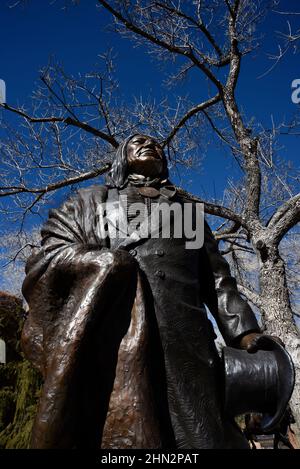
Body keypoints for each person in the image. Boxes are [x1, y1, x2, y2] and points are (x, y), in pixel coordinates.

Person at [22, 134, 266, 449]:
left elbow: (217, 280)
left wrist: (245, 334)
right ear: (122, 156)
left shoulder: (186, 211)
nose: (150, 144)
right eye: (137, 141)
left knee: (198, 435)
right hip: (117, 341)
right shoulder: (92, 201)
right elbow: (50, 253)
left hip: (186, 342)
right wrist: (106, 263)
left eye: (156, 143)